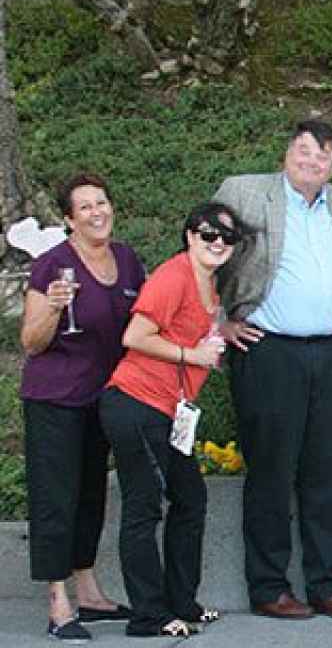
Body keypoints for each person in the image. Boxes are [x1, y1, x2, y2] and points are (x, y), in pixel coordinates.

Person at [213, 121, 332, 621]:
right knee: (273, 472)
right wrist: (220, 322)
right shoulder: (246, 192)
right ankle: (269, 586)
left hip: (331, 353)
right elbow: (201, 248)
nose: (312, 161)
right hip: (270, 351)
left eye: (323, 156)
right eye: (303, 151)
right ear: (286, 152)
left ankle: (327, 584)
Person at [100, 203, 238, 639]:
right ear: (189, 235)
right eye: (208, 233)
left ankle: (183, 602)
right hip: (137, 404)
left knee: (190, 499)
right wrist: (191, 355)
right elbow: (135, 336)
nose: (217, 242)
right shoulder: (173, 276)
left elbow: (201, 331)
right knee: (143, 509)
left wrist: (220, 334)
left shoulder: (209, 286)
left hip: (169, 411)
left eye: (227, 237)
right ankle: (149, 615)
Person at [22, 174, 143, 640]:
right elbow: (31, 343)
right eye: (86, 207)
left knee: (92, 493)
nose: (98, 212)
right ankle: (58, 603)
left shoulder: (128, 261)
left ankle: (89, 593)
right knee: (57, 498)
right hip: (55, 400)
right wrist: (52, 308)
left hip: (105, 398)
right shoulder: (52, 265)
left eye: (103, 202)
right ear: (69, 219)